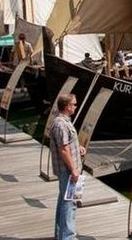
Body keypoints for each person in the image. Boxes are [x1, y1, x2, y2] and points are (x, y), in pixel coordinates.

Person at [50, 93, 84, 240]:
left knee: (63, 200)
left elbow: (67, 144)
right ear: (67, 106)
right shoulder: (61, 124)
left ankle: (60, 233)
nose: (75, 106)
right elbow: (63, 149)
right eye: (74, 104)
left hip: (68, 169)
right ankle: (68, 236)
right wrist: (74, 169)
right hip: (67, 170)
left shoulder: (64, 121)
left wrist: (78, 146)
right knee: (69, 203)